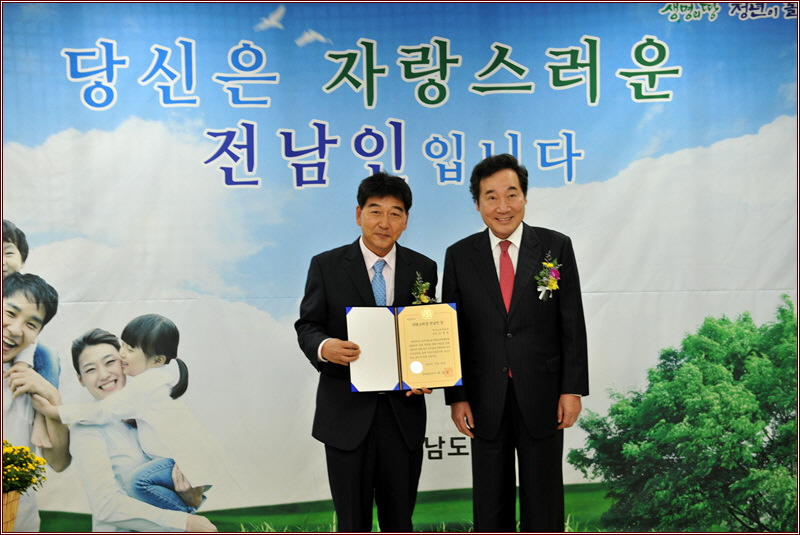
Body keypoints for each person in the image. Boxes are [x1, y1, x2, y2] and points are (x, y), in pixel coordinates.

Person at [442, 154, 589, 532]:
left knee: (544, 501)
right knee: (491, 504)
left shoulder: (555, 247)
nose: (502, 206)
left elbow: (572, 323)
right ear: (477, 204)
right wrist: (457, 395)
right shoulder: (459, 255)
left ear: (525, 197)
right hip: (483, 398)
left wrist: (572, 389)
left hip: (543, 393)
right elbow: (451, 333)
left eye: (511, 194)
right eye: (491, 197)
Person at [295, 171, 438, 532]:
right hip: (345, 416)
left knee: (399, 520)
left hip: (402, 416)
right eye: (375, 211)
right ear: (359, 214)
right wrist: (325, 347)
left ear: (406, 220)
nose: (384, 222)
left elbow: (428, 332)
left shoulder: (423, 268)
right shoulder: (326, 265)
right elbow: (308, 326)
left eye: (395, 213)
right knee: (352, 522)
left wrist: (428, 372)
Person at [35, 314, 227, 515]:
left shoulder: (144, 390)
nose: (104, 374)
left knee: (138, 482)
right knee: (138, 482)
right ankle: (188, 517)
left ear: (157, 360)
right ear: (80, 379)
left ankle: (188, 516)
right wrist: (191, 508)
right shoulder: (91, 429)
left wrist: (54, 411)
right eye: (91, 369)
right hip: (141, 517)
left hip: (188, 463)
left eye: (112, 361)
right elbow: (106, 504)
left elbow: (103, 411)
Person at [2, 272, 70, 532]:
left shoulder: (33, 380)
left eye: (31, 325)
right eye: (10, 313)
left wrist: (52, 397)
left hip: (18, 520)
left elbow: (58, 462)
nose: (16, 329)